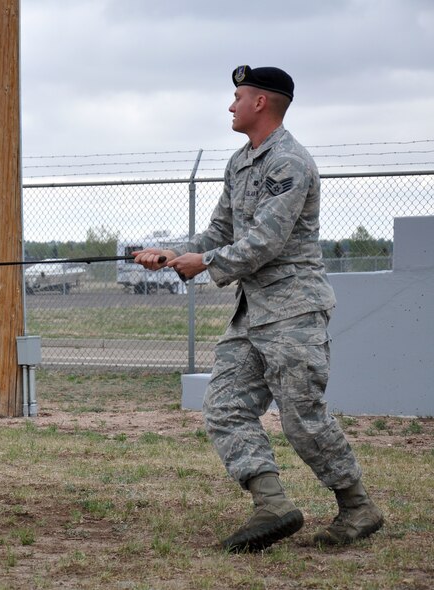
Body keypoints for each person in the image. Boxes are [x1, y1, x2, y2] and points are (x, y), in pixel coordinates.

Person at [133, 66, 383, 552]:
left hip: (293, 311)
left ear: (261, 103)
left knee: (301, 418)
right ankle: (272, 505)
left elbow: (265, 240)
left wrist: (204, 262)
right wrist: (172, 255)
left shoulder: (290, 162)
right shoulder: (239, 162)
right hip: (253, 314)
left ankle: (357, 506)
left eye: (237, 96)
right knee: (225, 405)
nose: (231, 106)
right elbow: (221, 233)